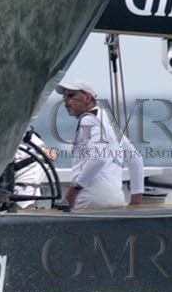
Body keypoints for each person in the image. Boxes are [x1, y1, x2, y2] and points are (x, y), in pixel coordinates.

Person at [56, 79, 145, 208]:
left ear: (87, 97)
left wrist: (72, 193)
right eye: (64, 98)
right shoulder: (107, 119)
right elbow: (135, 159)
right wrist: (136, 201)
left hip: (90, 200)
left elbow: (98, 157)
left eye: (71, 96)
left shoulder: (88, 120)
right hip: (116, 199)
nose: (66, 102)